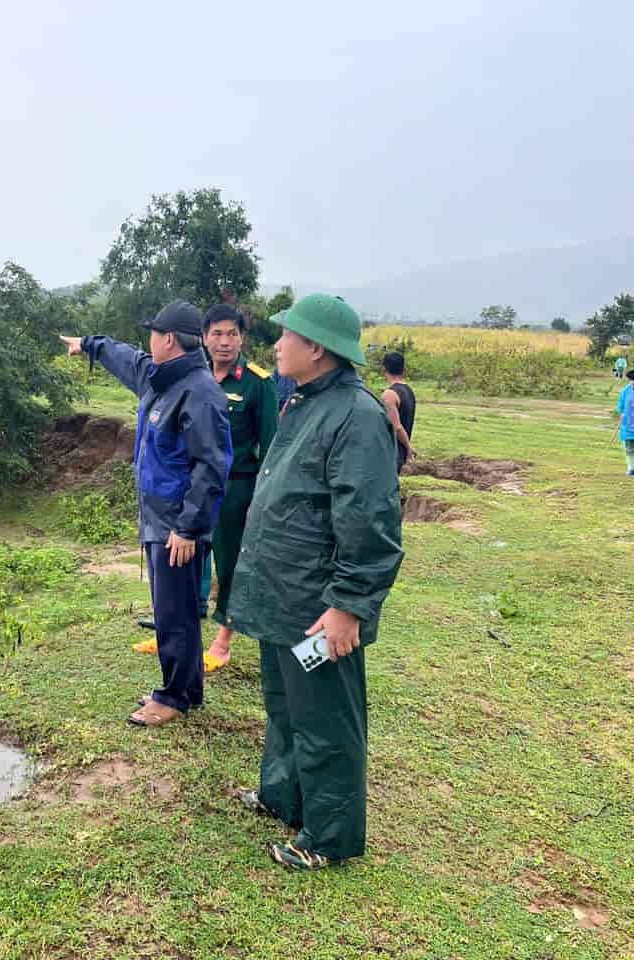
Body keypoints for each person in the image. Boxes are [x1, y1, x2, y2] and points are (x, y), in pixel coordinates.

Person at [225, 293, 403, 871]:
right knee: (284, 705)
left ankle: (327, 835)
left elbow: (370, 521)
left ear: (317, 348)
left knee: (325, 716)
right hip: (283, 598)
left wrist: (348, 605)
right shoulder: (303, 402)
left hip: (318, 609)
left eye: (287, 336)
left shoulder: (357, 416)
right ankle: (283, 796)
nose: (276, 345)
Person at [60, 303, 232, 727]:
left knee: (174, 614)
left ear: (169, 339)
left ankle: (172, 697)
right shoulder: (158, 379)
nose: (148, 341)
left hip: (177, 527)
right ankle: (188, 688)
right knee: (175, 611)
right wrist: (89, 345)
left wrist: (189, 528)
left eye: (154, 334)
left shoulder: (199, 392)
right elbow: (126, 358)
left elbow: (211, 467)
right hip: (160, 522)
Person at [189, 303, 279, 673]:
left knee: (229, 564)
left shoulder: (258, 384)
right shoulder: (193, 376)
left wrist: (262, 499)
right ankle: (180, 628)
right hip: (194, 487)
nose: (225, 342)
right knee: (189, 557)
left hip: (235, 489)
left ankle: (223, 640)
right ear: (204, 338)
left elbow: (271, 446)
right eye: (217, 334)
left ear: (242, 338)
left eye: (232, 334)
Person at [380, 351, 417, 472]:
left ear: (384, 369)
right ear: (404, 369)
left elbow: (396, 427)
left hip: (391, 453)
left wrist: (408, 446)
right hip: (398, 454)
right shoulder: (409, 391)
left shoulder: (389, 395)